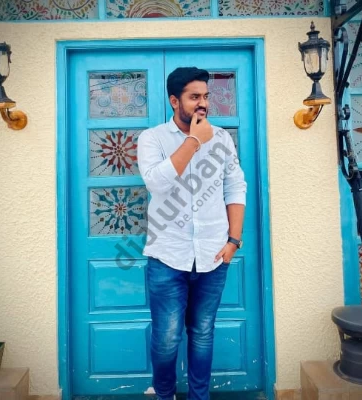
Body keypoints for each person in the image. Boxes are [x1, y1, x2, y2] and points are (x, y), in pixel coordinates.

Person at [137, 67, 247, 400]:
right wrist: (195, 141)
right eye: (194, 97)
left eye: (206, 96)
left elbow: (235, 187)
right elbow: (157, 183)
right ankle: (165, 394)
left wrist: (233, 241)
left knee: (202, 333)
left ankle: (200, 397)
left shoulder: (222, 139)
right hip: (167, 256)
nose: (203, 103)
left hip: (214, 256)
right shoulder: (152, 138)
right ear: (175, 101)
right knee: (167, 338)